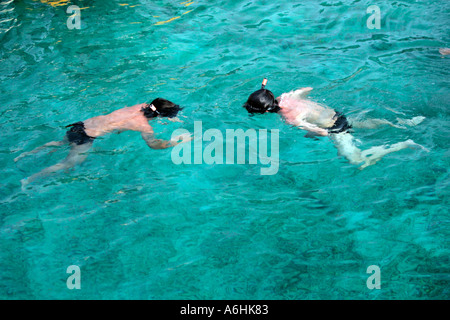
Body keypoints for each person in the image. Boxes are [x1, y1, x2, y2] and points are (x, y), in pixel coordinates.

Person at [243, 79, 428, 169]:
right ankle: (405, 123)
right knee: (368, 124)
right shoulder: (288, 97)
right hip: (339, 115)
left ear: (266, 111)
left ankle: (405, 143)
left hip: (336, 129)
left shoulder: (290, 118)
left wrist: (310, 133)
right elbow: (308, 89)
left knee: (357, 160)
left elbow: (323, 133)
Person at [15, 98, 192, 187]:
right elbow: (153, 145)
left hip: (80, 125)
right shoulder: (145, 127)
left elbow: (122, 122)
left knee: (59, 143)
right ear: (159, 116)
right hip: (86, 138)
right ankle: (29, 180)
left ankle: (25, 154)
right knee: (67, 164)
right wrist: (177, 142)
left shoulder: (140, 105)